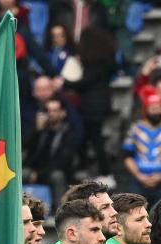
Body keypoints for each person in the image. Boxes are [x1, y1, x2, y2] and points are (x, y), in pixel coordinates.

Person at [64, 27, 117, 180]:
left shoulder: (95, 65)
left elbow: (82, 83)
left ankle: (105, 173)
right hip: (97, 105)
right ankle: (90, 169)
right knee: (89, 138)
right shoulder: (104, 62)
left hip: (93, 107)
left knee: (95, 139)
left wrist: (65, 83)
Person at [24, 97, 76, 204]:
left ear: (63, 113)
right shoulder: (41, 130)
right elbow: (27, 150)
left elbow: (63, 161)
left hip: (54, 171)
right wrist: (37, 130)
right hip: (35, 170)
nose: (51, 114)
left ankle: (59, 210)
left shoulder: (68, 132)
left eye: (55, 111)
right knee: (18, 174)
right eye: (48, 111)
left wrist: (39, 174)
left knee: (57, 176)